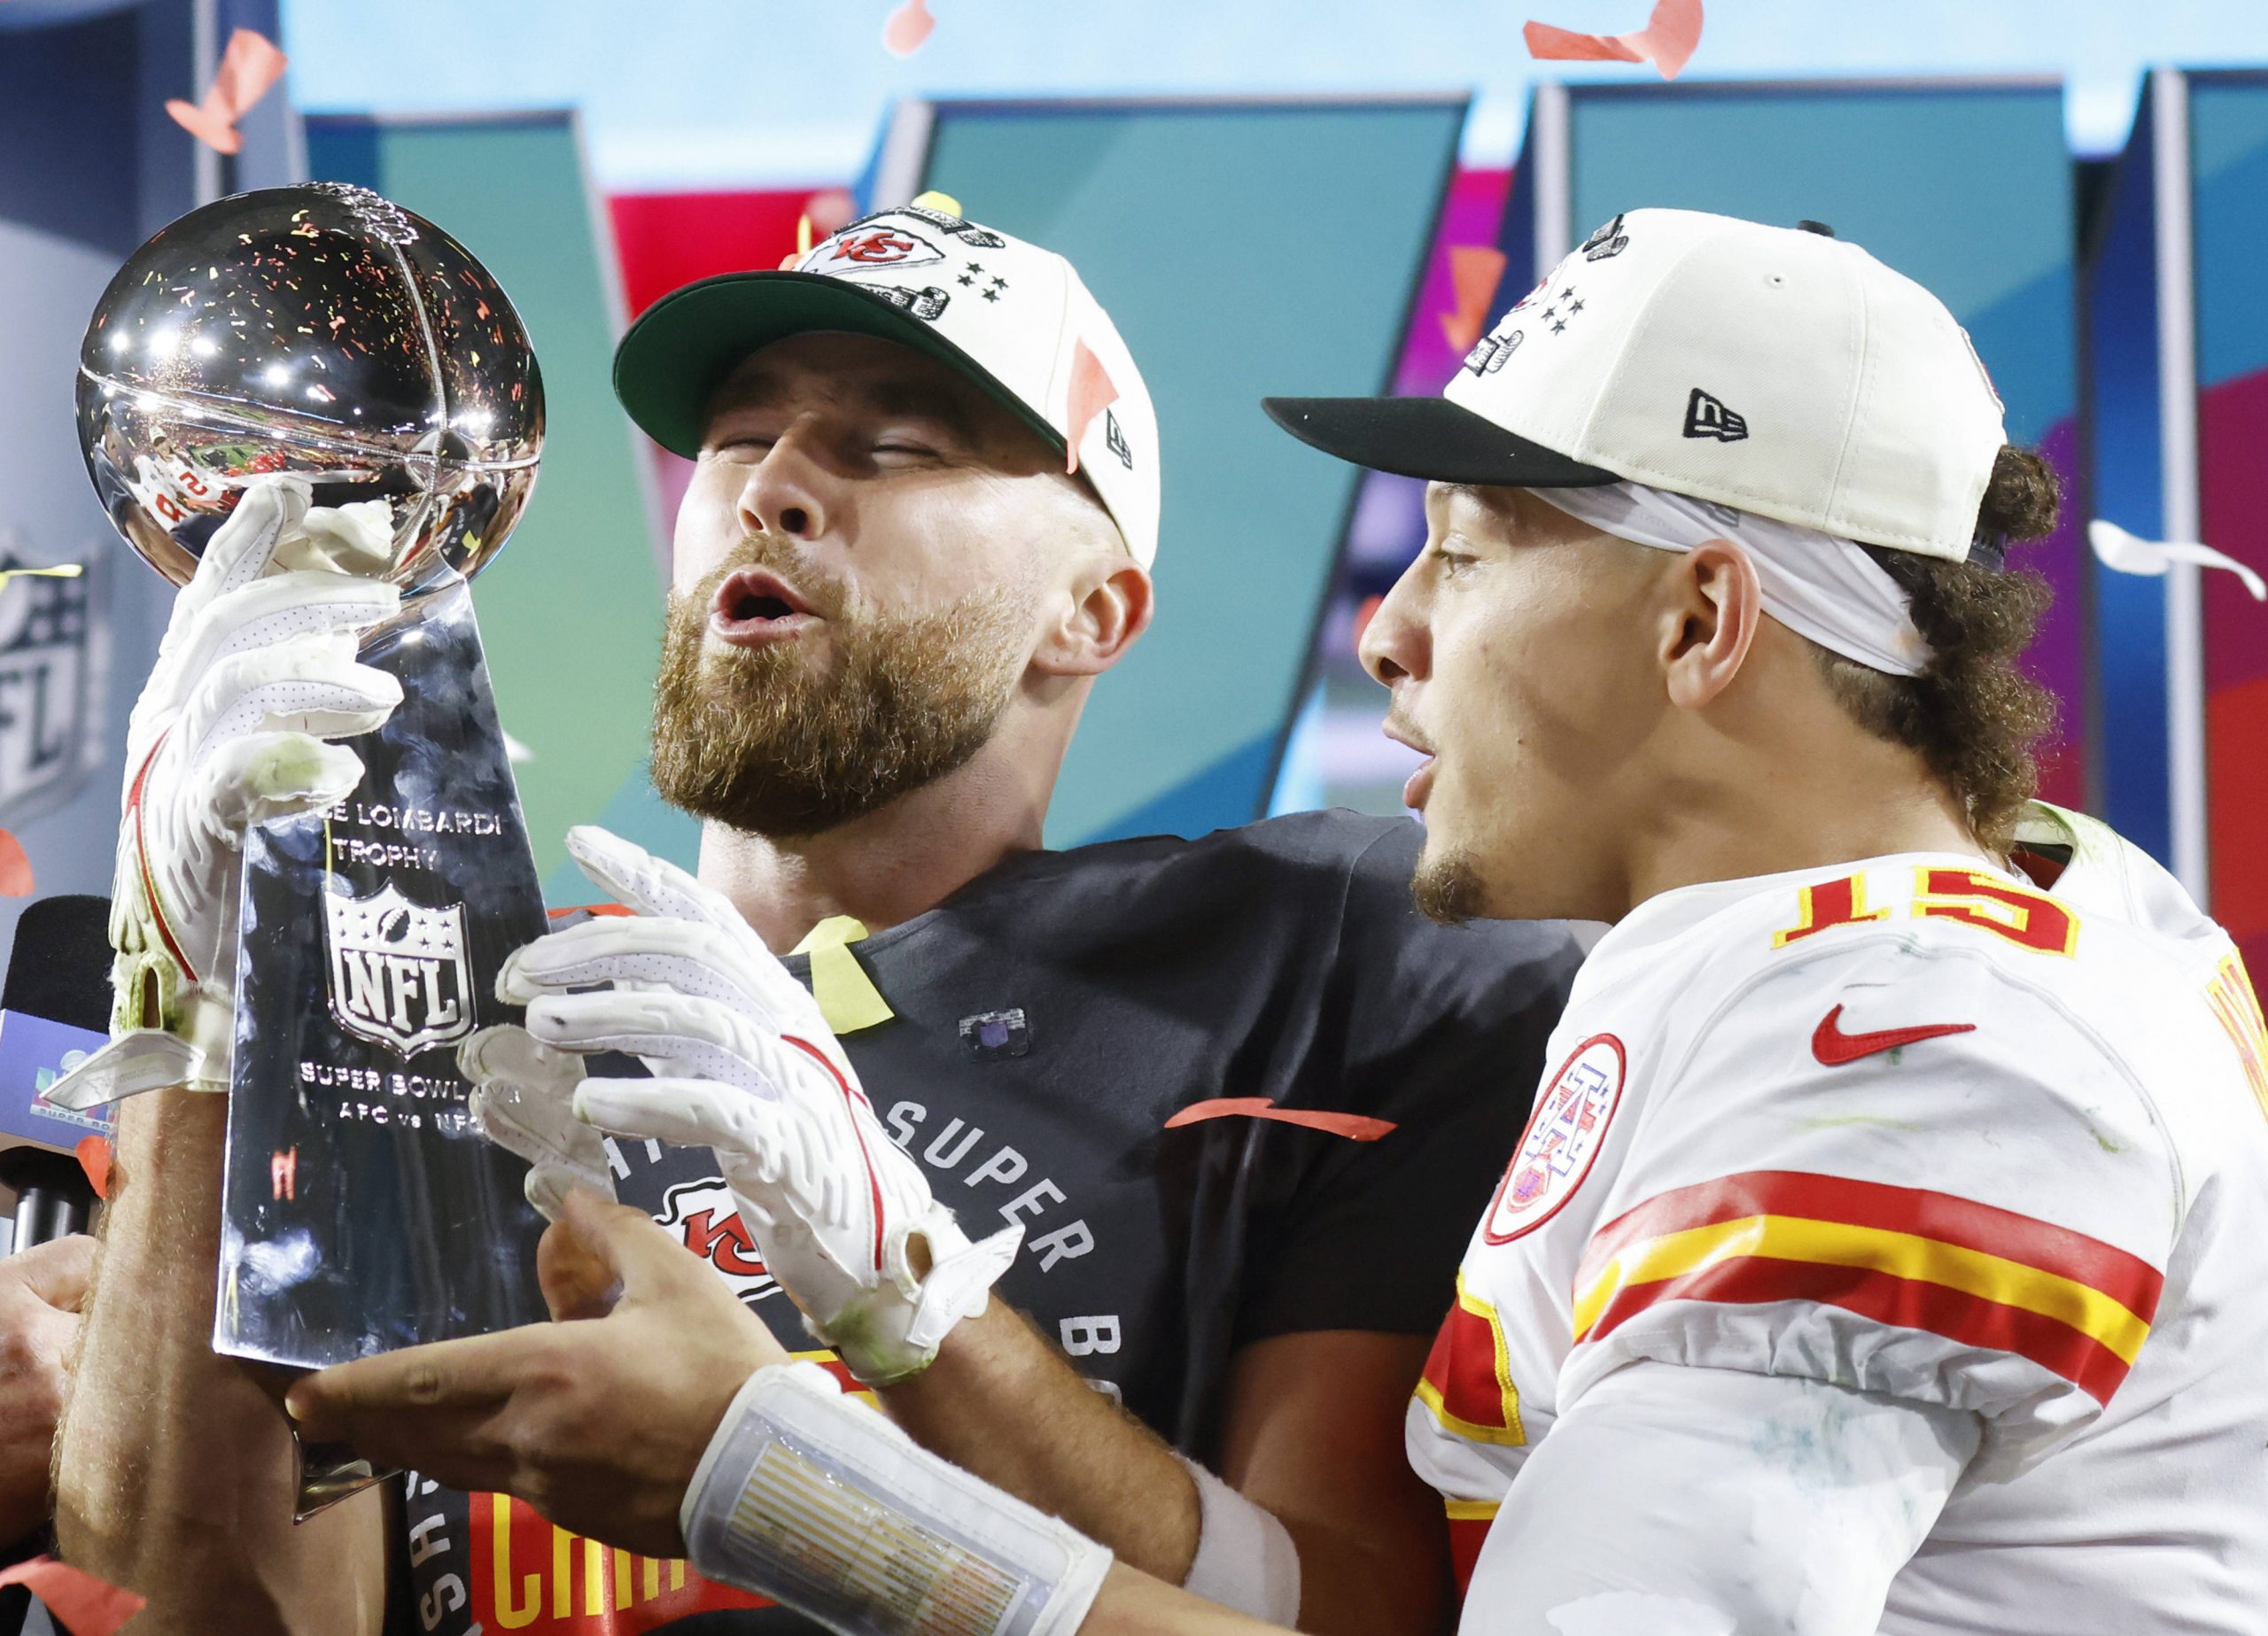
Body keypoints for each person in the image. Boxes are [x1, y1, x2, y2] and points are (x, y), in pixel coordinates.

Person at [291, 207, 2268, 1635]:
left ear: (1699, 621)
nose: (1390, 631)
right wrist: (901, 1298)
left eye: (1471, 559)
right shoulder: (1822, 980)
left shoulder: (1908, 1048)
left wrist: (783, 1488)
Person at [45, 200, 1581, 1635]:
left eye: (897, 446)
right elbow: (187, 1608)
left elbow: (1354, 1611)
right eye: (736, 439)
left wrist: (911, 1309)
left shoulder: (1322, 951)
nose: (772, 486)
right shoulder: (434, 1012)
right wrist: (206, 1006)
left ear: (1092, 611)